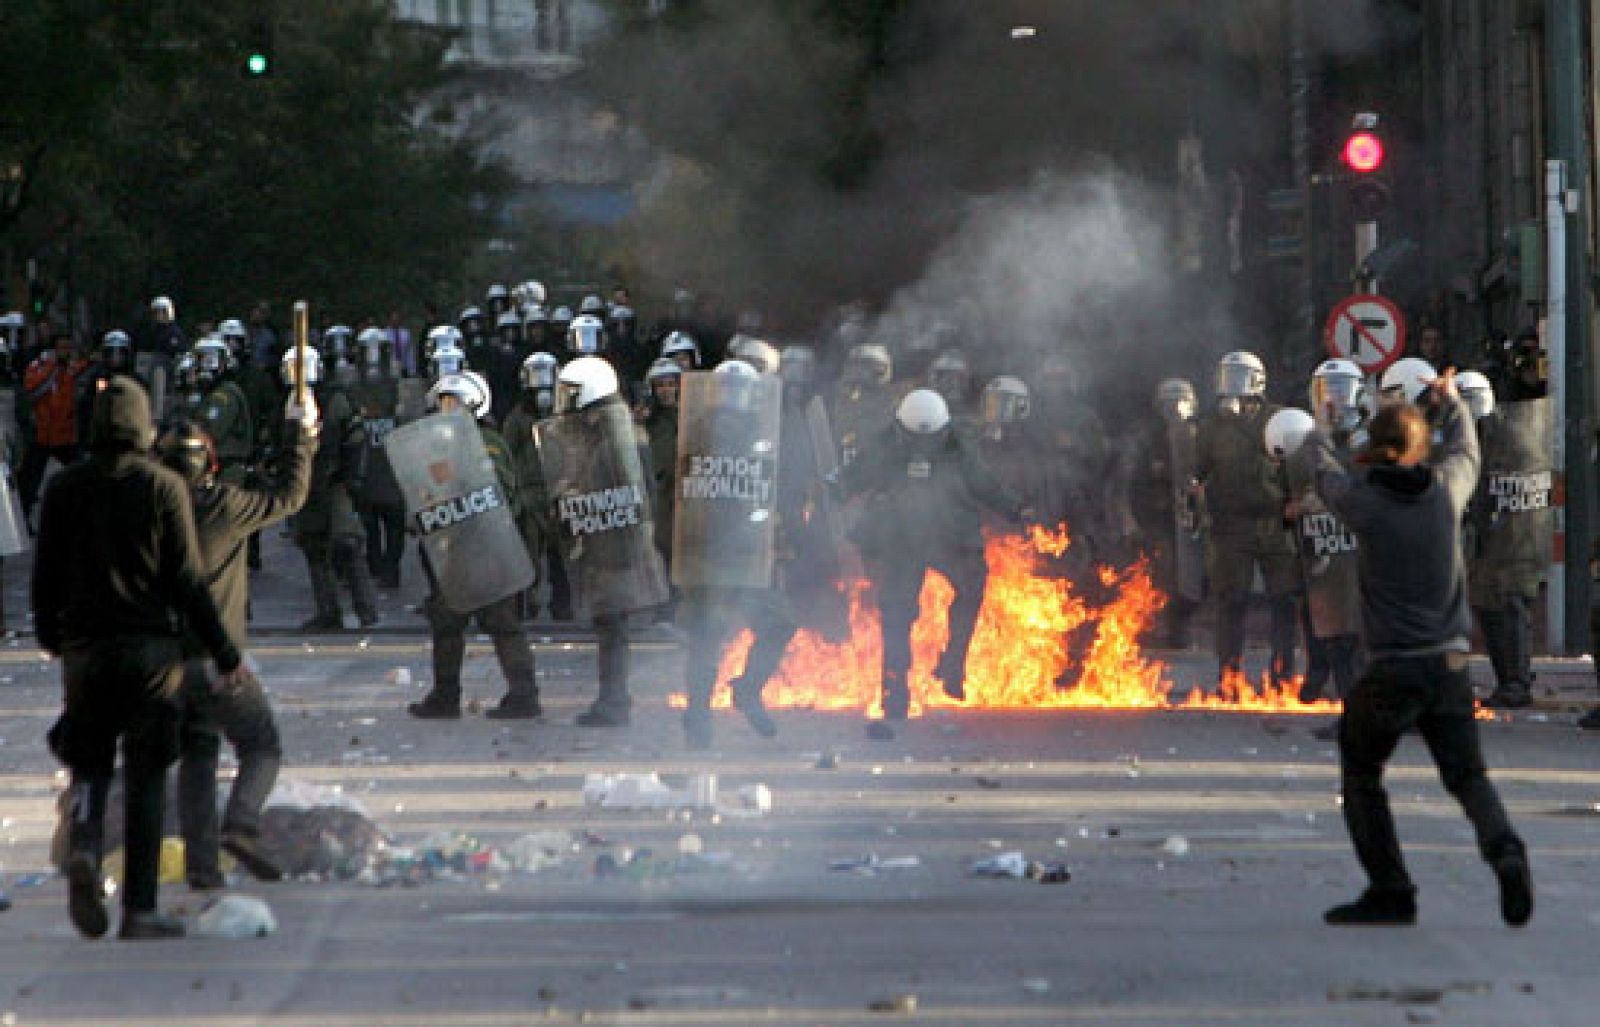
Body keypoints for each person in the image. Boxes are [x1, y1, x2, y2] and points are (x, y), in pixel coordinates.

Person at [1294, 372, 1532, 927]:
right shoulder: (1446, 492)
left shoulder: (1366, 504)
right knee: (1467, 775)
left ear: (1375, 449)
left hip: (1391, 669)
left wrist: (1324, 427)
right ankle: (1504, 847)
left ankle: (1390, 888)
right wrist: (1452, 402)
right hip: (1449, 664)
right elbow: (1468, 448)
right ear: (1420, 448)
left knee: (1361, 771)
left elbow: (1323, 473)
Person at [34, 376, 250, 939]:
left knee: (89, 763)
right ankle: (139, 907)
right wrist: (224, 651)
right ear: (143, 427)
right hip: (151, 654)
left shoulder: (65, 488)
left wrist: (53, 638)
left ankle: (85, 847)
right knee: (147, 777)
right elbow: (186, 580)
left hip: (85, 650)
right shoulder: (163, 488)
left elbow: (45, 573)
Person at [157, 390, 317, 888]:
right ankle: (241, 824)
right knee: (260, 744)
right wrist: (301, 435)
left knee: (197, 757)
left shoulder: (143, 515)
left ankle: (203, 868)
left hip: (162, 663)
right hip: (216, 657)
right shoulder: (224, 507)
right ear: (209, 464)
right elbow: (290, 497)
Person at [841, 388, 1024, 728]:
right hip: (902, 540)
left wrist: (1015, 508)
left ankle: (953, 665)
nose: (922, 447)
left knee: (972, 586)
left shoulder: (959, 447)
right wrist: (838, 485)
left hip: (951, 538)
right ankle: (894, 692)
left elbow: (984, 483)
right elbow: (858, 472)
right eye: (915, 439)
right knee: (896, 613)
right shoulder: (887, 445)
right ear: (901, 429)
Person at [677, 357, 801, 749]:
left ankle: (744, 690)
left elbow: (771, 487)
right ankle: (699, 715)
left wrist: (777, 532)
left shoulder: (762, 433)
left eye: (739, 390)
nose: (732, 398)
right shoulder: (698, 433)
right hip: (712, 550)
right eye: (726, 390)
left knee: (777, 623)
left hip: (747, 551)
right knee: (708, 634)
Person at [407, 372, 541, 720]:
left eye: (454, 404)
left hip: (487, 547)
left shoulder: (487, 443)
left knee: (502, 622)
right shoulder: (443, 444)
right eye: (443, 404)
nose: (446, 410)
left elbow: (496, 493)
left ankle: (524, 695)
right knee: (446, 621)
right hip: (455, 547)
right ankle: (445, 695)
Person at [1195, 351, 1299, 688]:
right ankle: (1230, 677)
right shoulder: (1211, 428)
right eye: (1228, 376)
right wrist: (1195, 491)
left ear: (1258, 381)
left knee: (1284, 599)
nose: (1232, 385)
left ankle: (1282, 676)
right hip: (1231, 524)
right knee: (1231, 600)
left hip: (1276, 522)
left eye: (1240, 376)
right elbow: (1197, 470)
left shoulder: (1280, 419)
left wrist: (1296, 500)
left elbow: (1299, 466)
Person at [285, 346, 378, 631]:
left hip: (335, 481)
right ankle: (328, 611)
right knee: (313, 545)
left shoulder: (334, 399)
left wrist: (352, 478)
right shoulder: (290, 400)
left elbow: (355, 438)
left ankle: (366, 609)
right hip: (306, 482)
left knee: (347, 543)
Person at [19, 329, 87, 528]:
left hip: (64, 435)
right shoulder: (40, 366)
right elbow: (32, 390)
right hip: (42, 434)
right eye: (62, 348)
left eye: (68, 348)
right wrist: (53, 369)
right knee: (30, 481)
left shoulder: (71, 370)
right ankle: (23, 520)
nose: (66, 352)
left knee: (82, 474)